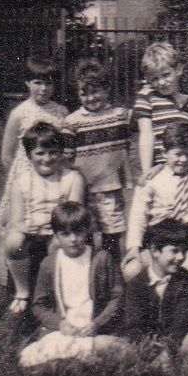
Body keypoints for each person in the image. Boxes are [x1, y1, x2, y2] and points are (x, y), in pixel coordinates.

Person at [20, 202, 128, 368]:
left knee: (111, 348)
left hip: (94, 330)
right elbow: (39, 305)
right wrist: (60, 323)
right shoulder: (49, 264)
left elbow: (117, 297)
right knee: (35, 355)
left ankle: (80, 357)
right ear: (56, 235)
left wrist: (97, 323)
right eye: (65, 234)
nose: (73, 239)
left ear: (87, 230)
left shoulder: (101, 259)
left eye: (78, 232)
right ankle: (75, 358)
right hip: (63, 330)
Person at [4, 122, 85, 313]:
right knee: (14, 241)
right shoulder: (21, 182)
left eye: (53, 152)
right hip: (31, 233)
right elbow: (16, 221)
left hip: (61, 232)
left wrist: (55, 232)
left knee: (57, 244)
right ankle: (22, 292)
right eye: (40, 153)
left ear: (61, 152)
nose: (47, 159)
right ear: (29, 155)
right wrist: (28, 228)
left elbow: (74, 216)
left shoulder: (72, 178)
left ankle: (51, 297)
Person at [0, 57, 69, 254]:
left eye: (48, 83)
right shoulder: (20, 113)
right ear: (27, 83)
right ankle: (8, 278)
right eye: (38, 83)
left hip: (51, 171)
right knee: (16, 226)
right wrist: (21, 179)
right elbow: (7, 154)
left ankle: (47, 266)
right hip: (26, 175)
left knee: (48, 220)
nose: (43, 89)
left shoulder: (61, 111)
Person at [124, 122, 188, 280]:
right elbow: (138, 216)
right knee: (132, 269)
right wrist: (134, 247)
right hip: (158, 243)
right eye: (178, 154)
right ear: (164, 153)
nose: (183, 159)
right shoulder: (152, 180)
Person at [61, 58, 132, 256]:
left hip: (111, 188)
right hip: (83, 190)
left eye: (96, 92)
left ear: (107, 89)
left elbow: (143, 121)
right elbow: (67, 159)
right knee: (86, 235)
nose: (91, 98)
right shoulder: (72, 122)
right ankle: (90, 275)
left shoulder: (120, 116)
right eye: (85, 94)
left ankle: (113, 276)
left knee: (113, 236)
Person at [122, 219, 188, 360]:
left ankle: (174, 362)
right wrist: (148, 348)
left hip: (177, 345)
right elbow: (133, 326)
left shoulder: (187, 282)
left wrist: (166, 350)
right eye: (174, 251)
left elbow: (181, 325)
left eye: (184, 252)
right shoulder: (137, 283)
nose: (181, 257)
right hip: (146, 348)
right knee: (108, 344)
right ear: (154, 251)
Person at [132, 42, 188, 174]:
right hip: (161, 167)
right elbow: (146, 134)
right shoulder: (147, 97)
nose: (161, 82)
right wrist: (147, 171)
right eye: (155, 78)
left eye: (166, 75)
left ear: (178, 69)